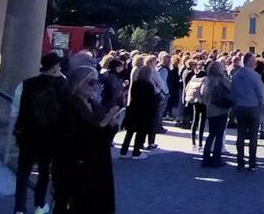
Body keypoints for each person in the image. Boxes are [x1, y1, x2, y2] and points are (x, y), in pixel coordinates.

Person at [53, 66, 122, 214]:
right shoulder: (68, 105)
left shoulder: (95, 105)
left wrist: (112, 125)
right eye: (91, 82)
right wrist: (105, 121)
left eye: (96, 82)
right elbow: (78, 137)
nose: (95, 86)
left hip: (99, 164)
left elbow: (103, 138)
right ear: (78, 83)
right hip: (77, 167)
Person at [12, 54, 64, 214]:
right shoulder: (63, 84)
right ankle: (40, 204)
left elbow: (15, 109)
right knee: (44, 171)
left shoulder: (26, 84)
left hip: (27, 133)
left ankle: (19, 208)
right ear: (55, 66)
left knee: (23, 172)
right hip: (51, 134)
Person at [229, 52, 264, 170]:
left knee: (240, 134)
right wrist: (261, 106)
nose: (255, 62)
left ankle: (240, 162)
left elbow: (232, 91)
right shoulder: (254, 75)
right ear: (249, 62)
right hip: (253, 107)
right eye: (254, 60)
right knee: (253, 135)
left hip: (239, 107)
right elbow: (260, 93)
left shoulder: (236, 75)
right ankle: (252, 162)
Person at [119, 63, 156, 160]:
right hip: (144, 111)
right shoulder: (149, 86)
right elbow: (152, 101)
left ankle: (123, 151)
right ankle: (136, 152)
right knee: (140, 132)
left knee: (129, 132)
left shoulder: (135, 83)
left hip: (133, 108)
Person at [199, 61, 232, 168]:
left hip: (210, 110)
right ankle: (216, 159)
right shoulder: (222, 80)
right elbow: (230, 90)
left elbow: (203, 97)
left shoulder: (207, 80)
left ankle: (205, 158)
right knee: (219, 135)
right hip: (222, 109)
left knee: (211, 134)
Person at [184, 61, 208, 150]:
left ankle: (193, 143)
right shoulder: (205, 78)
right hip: (203, 102)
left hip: (194, 101)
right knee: (202, 123)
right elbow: (203, 91)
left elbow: (187, 88)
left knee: (195, 121)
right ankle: (200, 144)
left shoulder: (194, 77)